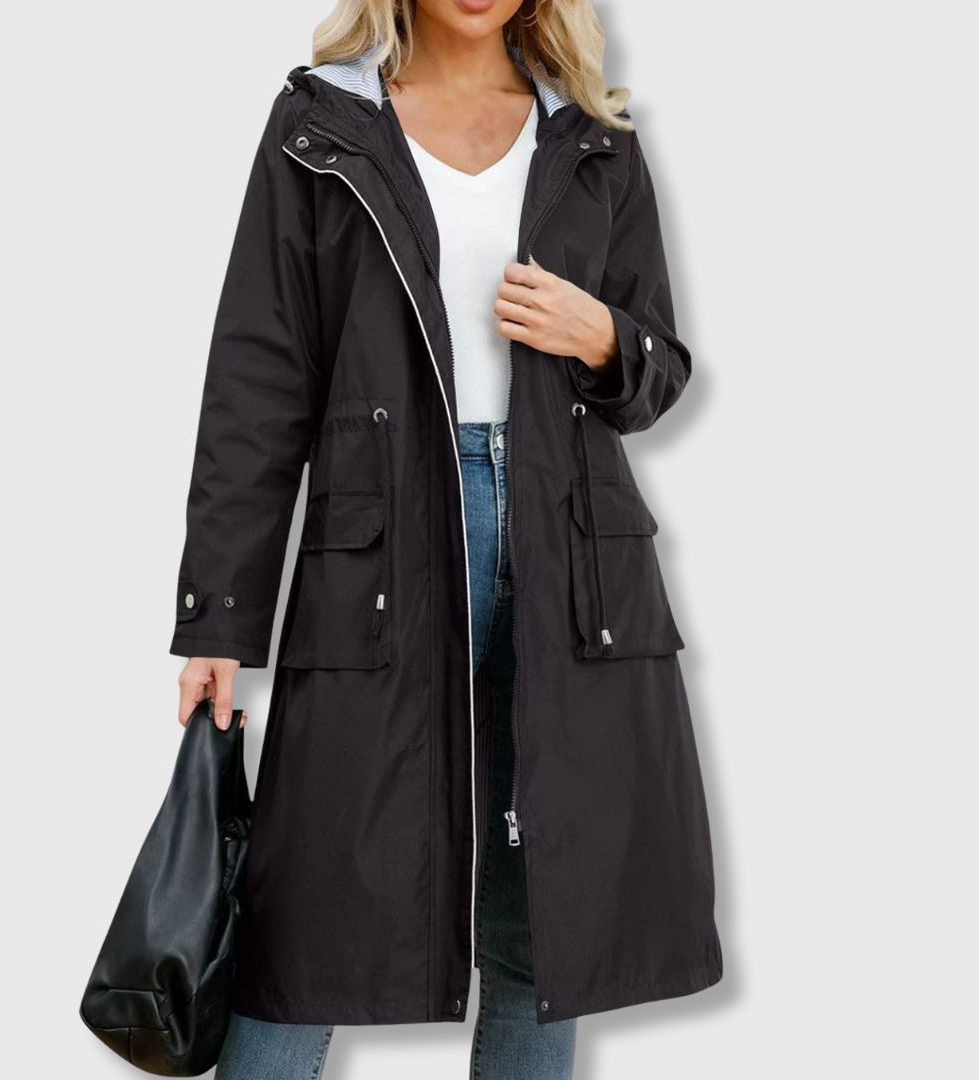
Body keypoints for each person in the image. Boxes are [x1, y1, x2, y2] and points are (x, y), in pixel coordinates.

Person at [170, 0, 722, 1076]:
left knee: (544, 918)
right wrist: (219, 618)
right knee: (311, 914)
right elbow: (258, 380)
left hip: (573, 551)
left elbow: (656, 372)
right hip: (382, 550)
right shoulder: (320, 125)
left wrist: (604, 336)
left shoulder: (594, 137)